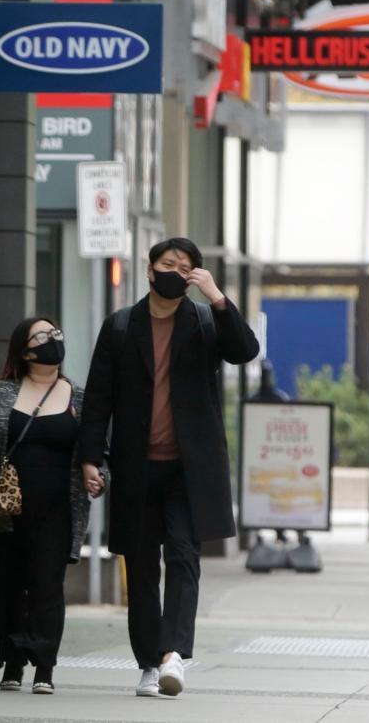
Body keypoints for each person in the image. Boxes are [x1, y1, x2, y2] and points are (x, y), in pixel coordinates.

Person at [77, 238, 260, 698]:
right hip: (135, 467)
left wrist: (218, 298)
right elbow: (98, 398)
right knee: (140, 569)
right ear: (149, 270)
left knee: (183, 556)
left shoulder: (204, 321)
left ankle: (173, 655)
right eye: (167, 264)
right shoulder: (121, 326)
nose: (174, 272)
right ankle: (148, 663)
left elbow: (244, 350)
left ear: (194, 276)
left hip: (188, 468)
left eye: (184, 267)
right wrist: (90, 458)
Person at [0, 318, 105, 694]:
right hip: (4, 508)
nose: (53, 340)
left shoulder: (79, 398)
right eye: (42, 336)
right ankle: (12, 660)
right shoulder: (0, 393)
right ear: (25, 352)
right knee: (7, 586)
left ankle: (44, 667)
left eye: (56, 333)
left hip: (57, 508)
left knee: (47, 585)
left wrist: (98, 475)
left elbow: (95, 448)